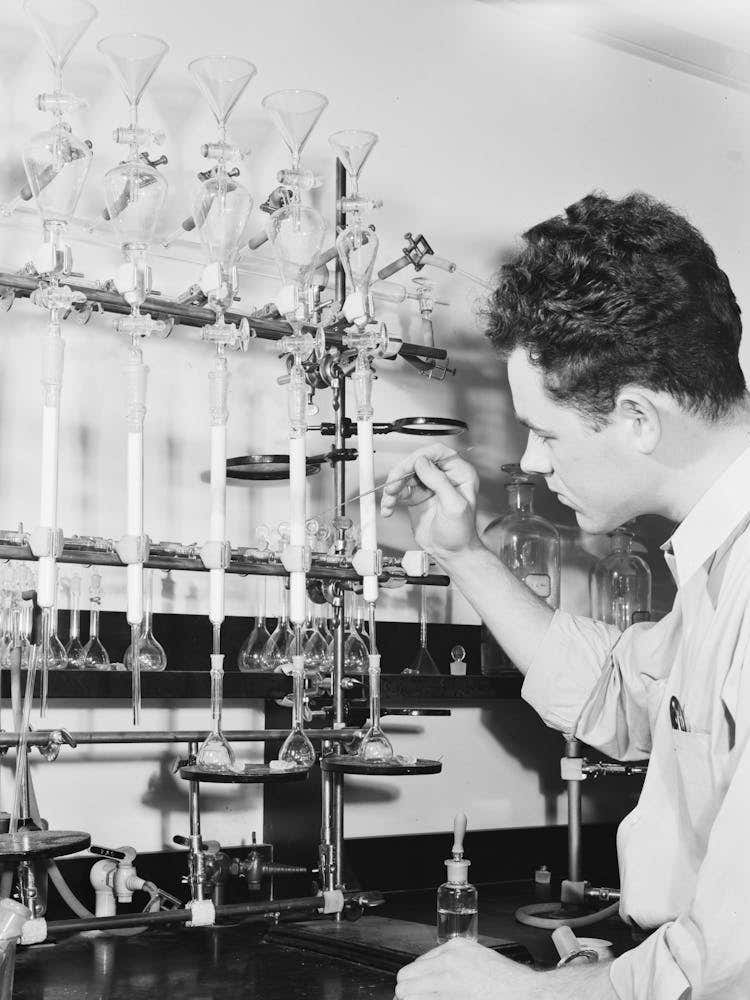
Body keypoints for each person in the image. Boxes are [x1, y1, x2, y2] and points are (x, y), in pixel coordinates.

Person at [383, 192, 750, 1000]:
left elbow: (733, 962)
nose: (534, 464)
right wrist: (464, 555)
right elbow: (622, 693)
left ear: (637, 417)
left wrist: (517, 992)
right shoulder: (723, 564)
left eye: (546, 432)